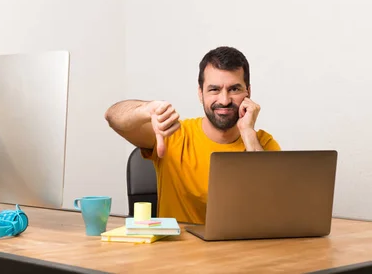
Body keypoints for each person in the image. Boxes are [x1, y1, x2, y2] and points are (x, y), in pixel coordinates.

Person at [105, 46, 280, 224]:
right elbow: (113, 117)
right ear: (200, 94)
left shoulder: (262, 143)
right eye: (214, 90)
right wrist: (146, 109)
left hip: (243, 250)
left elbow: (272, 204)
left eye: (234, 89)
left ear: (248, 93)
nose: (224, 100)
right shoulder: (173, 134)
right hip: (178, 250)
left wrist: (248, 133)